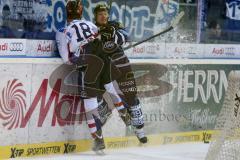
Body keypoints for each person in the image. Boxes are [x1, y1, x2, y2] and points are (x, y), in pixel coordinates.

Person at [55, 0, 123, 152]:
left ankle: (99, 140)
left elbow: (67, 60)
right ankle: (122, 109)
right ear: (81, 11)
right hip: (103, 59)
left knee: (90, 103)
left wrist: (81, 59)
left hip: (87, 64)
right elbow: (104, 43)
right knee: (109, 85)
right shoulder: (91, 25)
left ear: (66, 12)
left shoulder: (63, 30)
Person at [93, 4, 147, 144]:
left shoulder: (115, 25)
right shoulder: (92, 28)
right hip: (104, 70)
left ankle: (140, 130)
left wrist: (113, 34)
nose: (103, 16)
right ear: (95, 16)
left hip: (122, 66)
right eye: (100, 14)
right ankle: (100, 128)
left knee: (131, 97)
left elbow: (126, 37)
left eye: (105, 13)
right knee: (97, 99)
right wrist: (98, 35)